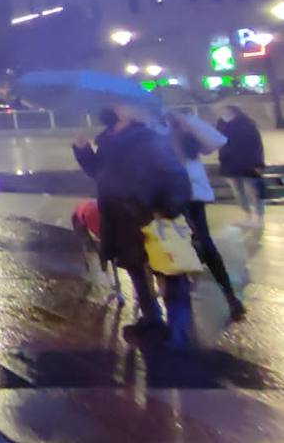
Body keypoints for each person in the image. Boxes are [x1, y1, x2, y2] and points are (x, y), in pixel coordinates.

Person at [79, 103, 193, 346]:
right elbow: (99, 173)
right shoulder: (108, 140)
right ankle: (152, 319)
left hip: (150, 214)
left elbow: (175, 175)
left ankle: (178, 330)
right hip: (120, 217)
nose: (116, 107)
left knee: (168, 270)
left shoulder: (146, 139)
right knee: (136, 270)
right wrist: (83, 151)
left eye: (121, 103)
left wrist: (168, 208)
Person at [167, 111, 246, 321]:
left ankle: (230, 296)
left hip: (193, 196)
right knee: (182, 245)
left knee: (203, 244)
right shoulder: (155, 130)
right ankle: (187, 292)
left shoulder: (183, 128)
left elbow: (217, 140)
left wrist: (186, 120)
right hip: (170, 196)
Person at [216, 105, 266, 226]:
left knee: (253, 191)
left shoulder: (246, 125)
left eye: (227, 111)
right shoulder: (221, 124)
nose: (224, 113)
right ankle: (247, 216)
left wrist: (258, 163)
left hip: (248, 163)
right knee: (238, 192)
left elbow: (256, 145)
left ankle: (258, 218)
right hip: (230, 164)